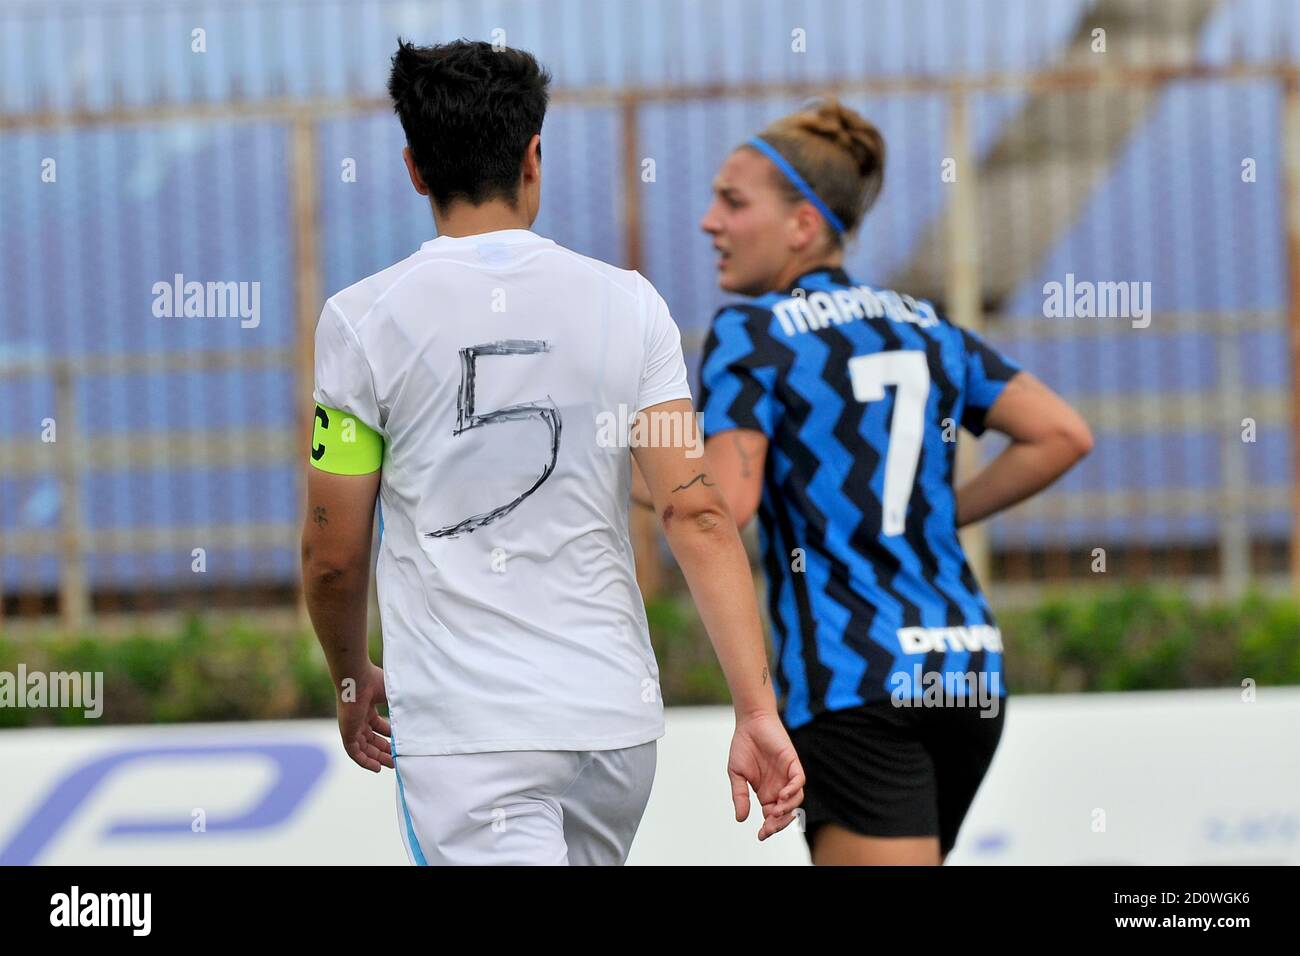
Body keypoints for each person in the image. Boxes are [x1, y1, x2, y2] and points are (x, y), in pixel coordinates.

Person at [299, 38, 803, 866]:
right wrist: (756, 710)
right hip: (612, 725)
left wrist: (353, 679)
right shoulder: (632, 305)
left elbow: (332, 554)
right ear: (535, 156)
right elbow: (698, 508)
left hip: (469, 735)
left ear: (414, 168)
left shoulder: (361, 321)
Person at [694, 98, 1093, 865]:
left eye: (733, 201)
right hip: (964, 667)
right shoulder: (925, 323)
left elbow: (724, 502)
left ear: (803, 225)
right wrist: (932, 519)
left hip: (858, 679)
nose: (711, 221)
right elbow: (1062, 434)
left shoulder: (753, 331)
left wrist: (626, 472)